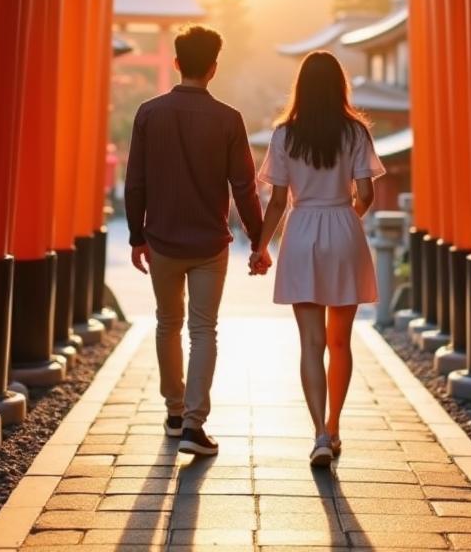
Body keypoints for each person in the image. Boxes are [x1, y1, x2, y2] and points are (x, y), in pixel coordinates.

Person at [124, 24, 263, 457]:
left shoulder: (148, 113)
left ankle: (173, 410)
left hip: (161, 238)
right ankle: (193, 425)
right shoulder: (229, 119)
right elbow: (244, 187)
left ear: (177, 63)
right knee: (204, 330)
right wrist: (259, 241)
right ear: (214, 68)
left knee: (168, 323)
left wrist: (135, 235)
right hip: (209, 243)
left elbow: (135, 182)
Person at [251, 50, 384, 467]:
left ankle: (320, 435)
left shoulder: (284, 135)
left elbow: (275, 202)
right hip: (343, 228)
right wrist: (347, 218)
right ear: (339, 86)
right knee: (340, 340)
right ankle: (336, 424)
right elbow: (366, 194)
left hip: (303, 228)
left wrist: (260, 247)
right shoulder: (355, 132)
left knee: (311, 342)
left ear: (301, 88)